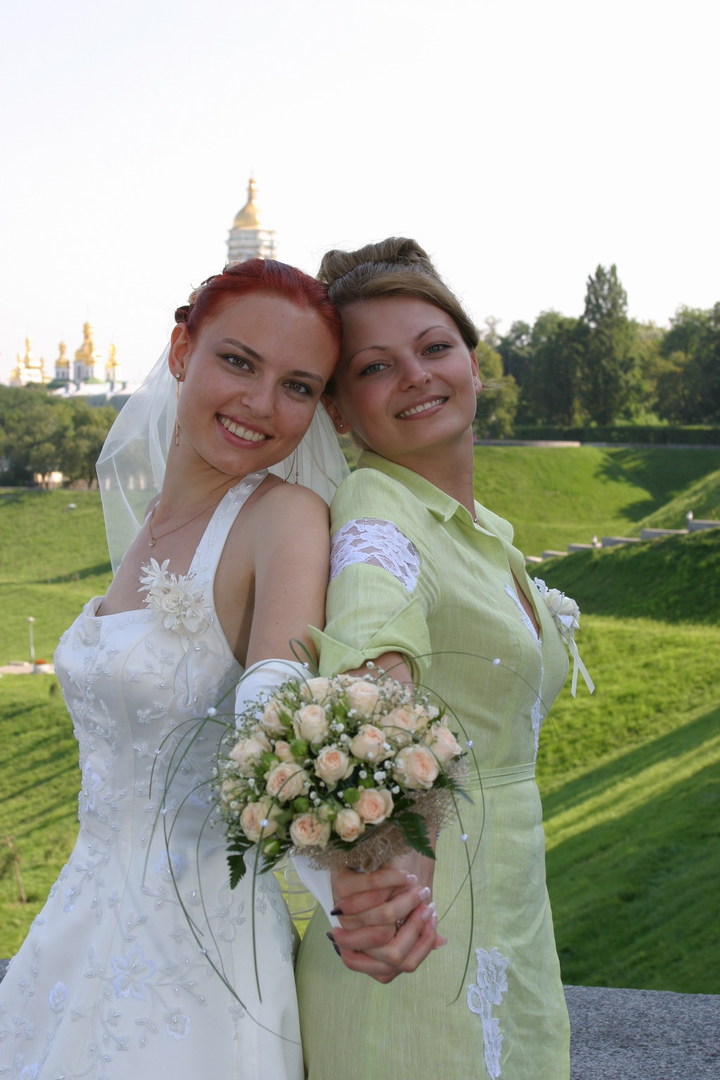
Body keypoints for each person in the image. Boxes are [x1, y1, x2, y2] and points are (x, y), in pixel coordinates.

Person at [0, 258, 406, 1080]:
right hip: (77, 929)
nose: (261, 403)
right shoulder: (150, 524)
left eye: (297, 386)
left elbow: (278, 716)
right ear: (182, 350)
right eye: (238, 362)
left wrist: (354, 893)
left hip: (197, 961)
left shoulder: (284, 519)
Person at [296, 238, 590, 1080]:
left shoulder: (483, 531)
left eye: (434, 348)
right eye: (375, 367)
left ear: (473, 364)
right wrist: (389, 861)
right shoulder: (377, 507)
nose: (417, 376)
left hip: (510, 925)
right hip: (416, 949)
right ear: (340, 412)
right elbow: (371, 672)